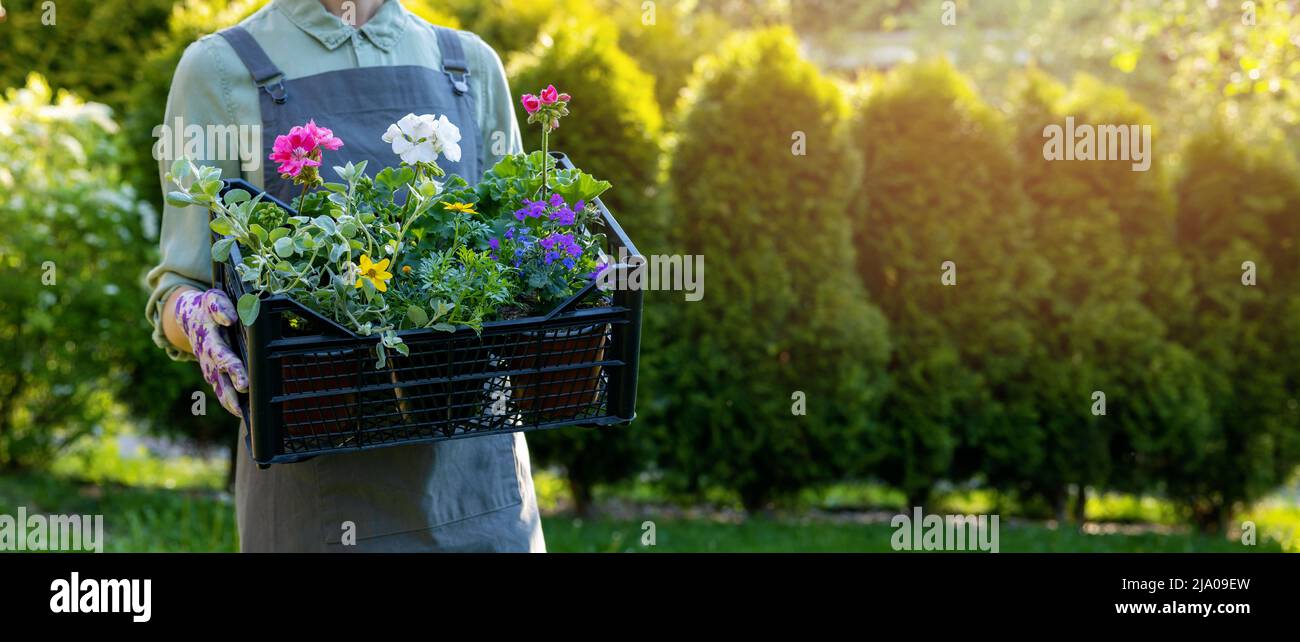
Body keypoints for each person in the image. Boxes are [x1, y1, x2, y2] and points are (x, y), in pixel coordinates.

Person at [145, 0, 545, 552]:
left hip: (481, 491)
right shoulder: (220, 68)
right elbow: (180, 283)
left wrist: (569, 274)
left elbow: (521, 246)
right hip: (316, 495)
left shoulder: (469, 65)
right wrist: (194, 318)